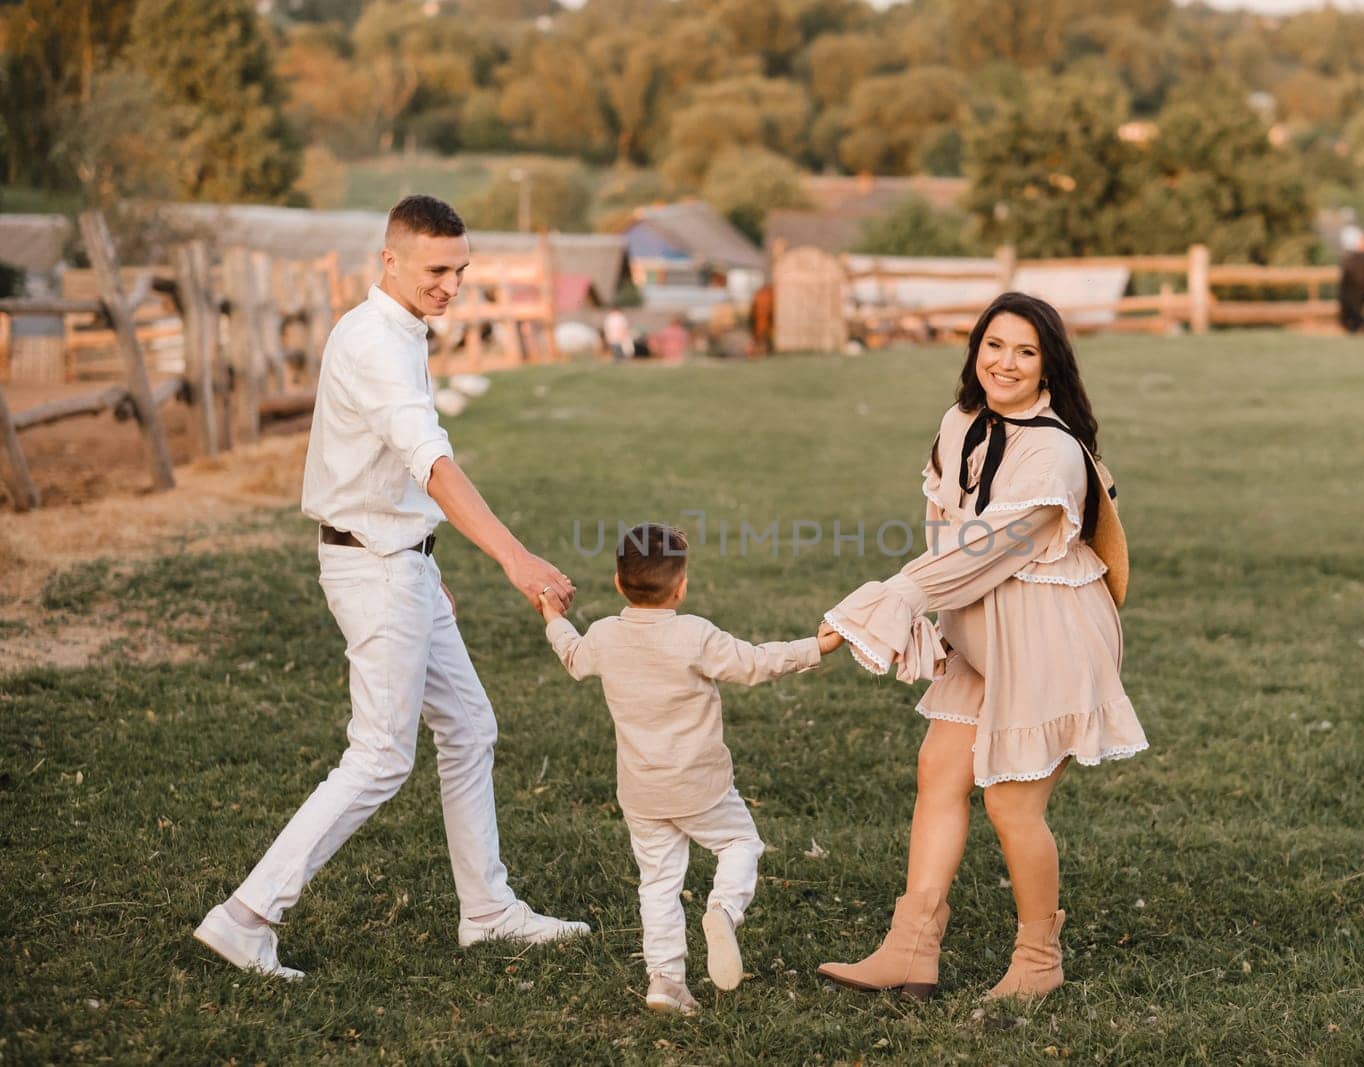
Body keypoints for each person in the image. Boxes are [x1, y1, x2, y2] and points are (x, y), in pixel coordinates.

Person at [194, 195, 587, 980]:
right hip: (373, 568)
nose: (451, 284)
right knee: (378, 755)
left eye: (461, 269)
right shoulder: (375, 340)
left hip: (400, 561)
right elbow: (431, 463)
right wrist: (516, 559)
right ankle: (245, 915)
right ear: (392, 261)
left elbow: (400, 474)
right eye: (438, 269)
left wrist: (425, 564)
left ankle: (487, 910)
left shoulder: (400, 331)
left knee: (470, 726)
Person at [816, 291, 1147, 1001]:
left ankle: (1037, 959)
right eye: (994, 345)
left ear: (1048, 364)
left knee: (1010, 805)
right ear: (975, 350)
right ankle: (910, 948)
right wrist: (941, 618)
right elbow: (945, 532)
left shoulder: (1054, 450)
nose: (1006, 362)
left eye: (1026, 351)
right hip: (985, 626)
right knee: (938, 768)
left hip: (1053, 634)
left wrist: (894, 597)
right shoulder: (958, 421)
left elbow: (987, 549)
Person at [537, 523, 844, 1014]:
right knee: (740, 842)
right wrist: (816, 647)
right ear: (681, 587)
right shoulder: (694, 635)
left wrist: (553, 615)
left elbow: (573, 657)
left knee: (657, 883)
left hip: (641, 792)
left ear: (618, 583)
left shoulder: (604, 636)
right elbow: (756, 663)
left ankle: (665, 980)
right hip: (702, 789)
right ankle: (723, 908)